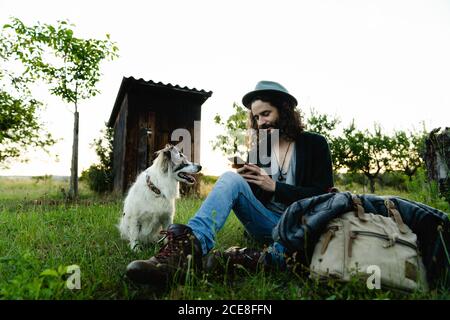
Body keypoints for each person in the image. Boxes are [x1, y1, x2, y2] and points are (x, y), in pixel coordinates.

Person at [126, 80, 334, 286]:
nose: (261, 122)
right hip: (268, 223)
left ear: (285, 110)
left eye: (266, 114)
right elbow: (255, 201)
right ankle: (186, 250)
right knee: (230, 178)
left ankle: (255, 258)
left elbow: (324, 196)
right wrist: (250, 182)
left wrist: (274, 186)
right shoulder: (260, 152)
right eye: (256, 117)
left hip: (300, 227)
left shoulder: (314, 144)